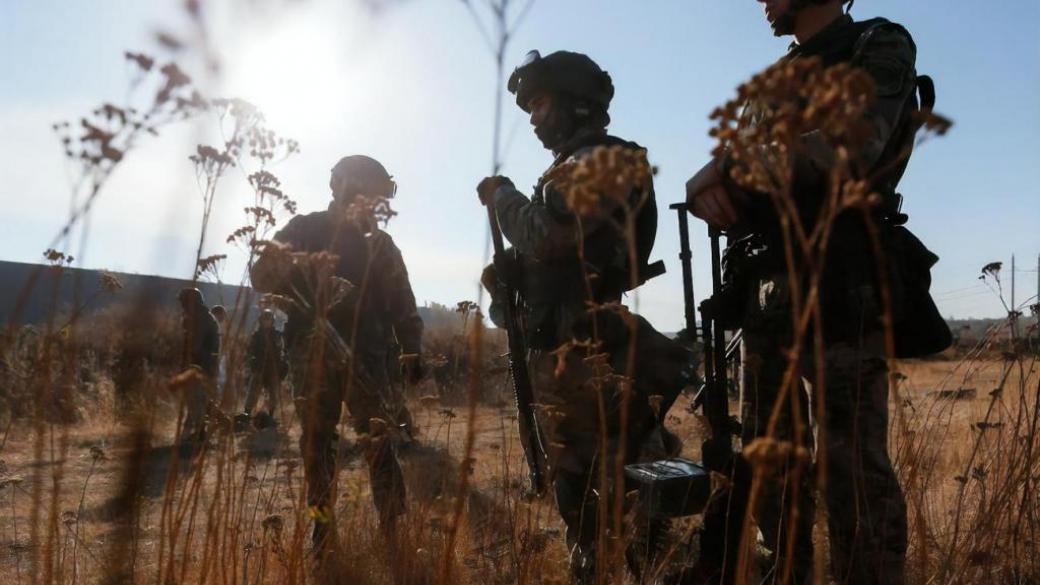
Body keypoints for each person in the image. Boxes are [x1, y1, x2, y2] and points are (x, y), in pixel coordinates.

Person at [684, 1, 950, 583]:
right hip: (767, 290)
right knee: (769, 460)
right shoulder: (773, 81)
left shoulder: (877, 43)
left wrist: (728, 165)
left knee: (851, 471)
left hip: (841, 281)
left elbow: (848, 147)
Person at [477, 50, 693, 583]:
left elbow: (552, 236)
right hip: (562, 352)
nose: (532, 118)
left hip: (594, 354)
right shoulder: (570, 166)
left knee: (622, 487)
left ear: (575, 103)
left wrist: (502, 197)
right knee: (576, 490)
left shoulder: (606, 160)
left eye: (540, 103)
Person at [250, 154, 424, 551]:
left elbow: (403, 303)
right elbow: (261, 277)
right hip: (311, 356)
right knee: (316, 445)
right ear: (349, 188)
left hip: (368, 357)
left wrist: (412, 350)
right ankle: (323, 529)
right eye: (373, 194)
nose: (376, 206)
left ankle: (392, 529)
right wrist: (295, 269)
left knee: (378, 439)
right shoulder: (305, 229)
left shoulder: (379, 244)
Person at [177, 287, 220, 448]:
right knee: (197, 401)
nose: (182, 305)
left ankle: (201, 433)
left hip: (200, 365)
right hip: (204, 364)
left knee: (195, 399)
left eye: (183, 301)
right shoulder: (200, 316)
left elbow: (195, 345)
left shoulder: (200, 318)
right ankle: (194, 432)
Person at [241, 309, 287, 427]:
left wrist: (282, 367)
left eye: (269, 319)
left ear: (272, 321)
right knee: (253, 391)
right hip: (259, 367)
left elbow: (282, 352)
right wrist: (251, 364)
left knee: (273, 394)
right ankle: (247, 413)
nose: (267, 321)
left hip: (273, 368)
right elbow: (249, 351)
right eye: (265, 319)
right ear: (261, 321)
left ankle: (271, 416)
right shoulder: (256, 335)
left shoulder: (277, 335)